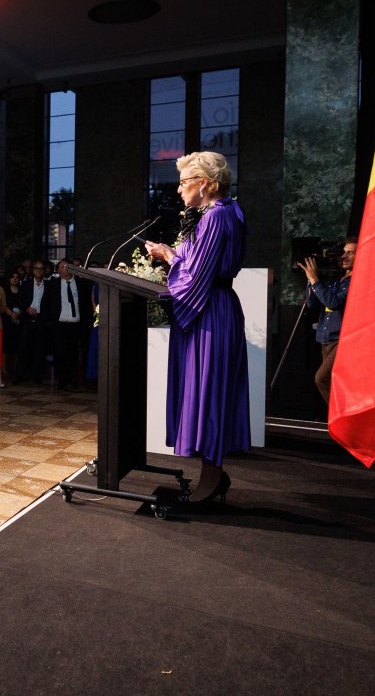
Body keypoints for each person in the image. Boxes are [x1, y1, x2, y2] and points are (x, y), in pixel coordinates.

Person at [145, 151, 250, 505]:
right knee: (205, 390)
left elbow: (195, 277)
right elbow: (198, 261)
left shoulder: (217, 217)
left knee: (207, 391)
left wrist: (167, 256)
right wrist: (173, 252)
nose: (178, 190)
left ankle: (212, 474)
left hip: (209, 312)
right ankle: (213, 472)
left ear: (204, 184)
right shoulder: (217, 213)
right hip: (214, 308)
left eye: (183, 182)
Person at [300, 237, 356, 404]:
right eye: (343, 252)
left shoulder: (357, 280)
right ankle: (341, 419)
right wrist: (311, 280)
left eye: (350, 253)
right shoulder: (334, 280)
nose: (344, 256)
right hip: (326, 340)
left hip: (343, 341)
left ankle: (343, 416)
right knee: (337, 382)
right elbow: (312, 303)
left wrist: (316, 280)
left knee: (321, 378)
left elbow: (334, 302)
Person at [41, 258, 90, 391]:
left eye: (66, 266)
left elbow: (85, 305)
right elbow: (45, 304)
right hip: (59, 324)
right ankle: (61, 381)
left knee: (73, 354)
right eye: (61, 267)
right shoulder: (53, 284)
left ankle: (73, 380)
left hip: (75, 324)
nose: (64, 269)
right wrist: (50, 323)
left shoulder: (80, 284)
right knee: (59, 354)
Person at [13, 261, 50, 385]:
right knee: (23, 348)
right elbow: (19, 300)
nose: (38, 271)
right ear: (33, 270)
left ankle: (37, 376)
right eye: (36, 268)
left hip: (41, 320)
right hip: (27, 320)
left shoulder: (49, 285)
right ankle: (19, 375)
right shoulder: (26, 284)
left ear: (44, 271)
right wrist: (27, 309)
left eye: (41, 269)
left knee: (39, 349)